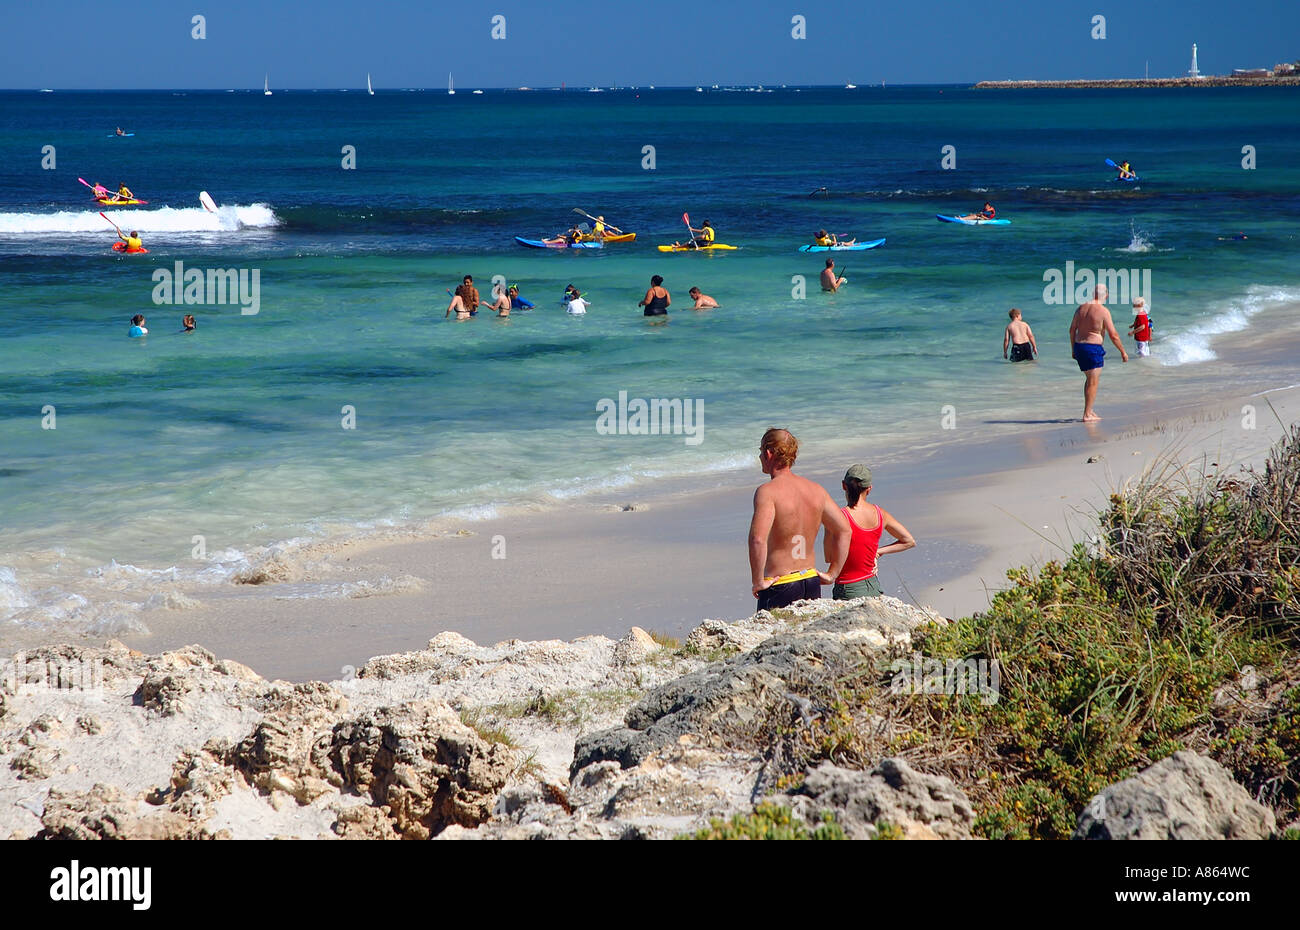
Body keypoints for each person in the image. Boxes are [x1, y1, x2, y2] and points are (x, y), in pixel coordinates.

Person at [748, 428, 851, 611]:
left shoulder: (767, 492)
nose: (760, 457)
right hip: (810, 580)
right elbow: (844, 530)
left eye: (760, 451)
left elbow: (758, 539)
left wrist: (758, 582)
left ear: (769, 453)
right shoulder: (816, 490)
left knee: (776, 639)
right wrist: (832, 573)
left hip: (781, 584)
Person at [828, 464, 915, 600]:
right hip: (873, 585)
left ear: (844, 485)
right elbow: (909, 541)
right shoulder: (880, 514)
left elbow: (830, 558)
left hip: (848, 588)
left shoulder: (839, 517)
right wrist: (878, 552)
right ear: (869, 489)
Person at [1069, 284, 1128, 422]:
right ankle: (1087, 414)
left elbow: (1072, 330)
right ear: (1106, 296)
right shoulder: (1103, 311)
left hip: (1079, 347)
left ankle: (1089, 410)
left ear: (1092, 294)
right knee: (1093, 382)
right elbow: (1114, 335)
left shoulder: (1080, 308)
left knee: (1089, 379)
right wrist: (1123, 352)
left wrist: (1073, 349)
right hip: (1092, 349)